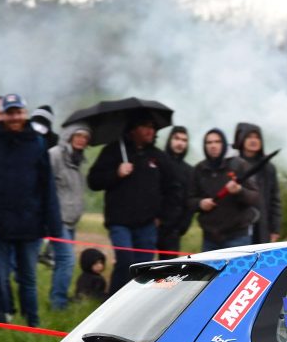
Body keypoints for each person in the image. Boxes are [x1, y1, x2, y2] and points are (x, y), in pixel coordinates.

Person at [0, 93, 60, 327]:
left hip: (31, 221)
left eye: (19, 112)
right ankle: (4, 317)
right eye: (10, 113)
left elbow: (47, 185)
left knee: (27, 277)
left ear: (25, 113)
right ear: (2, 114)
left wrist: (54, 226)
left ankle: (32, 322)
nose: (15, 117)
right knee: (0, 274)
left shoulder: (38, 143)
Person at [87, 112, 180, 293]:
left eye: (153, 127)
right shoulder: (113, 151)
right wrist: (116, 173)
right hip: (119, 221)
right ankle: (112, 301)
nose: (150, 130)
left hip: (148, 224)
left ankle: (136, 304)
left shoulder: (158, 157)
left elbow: (173, 188)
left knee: (143, 267)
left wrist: (163, 217)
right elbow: (93, 181)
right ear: (133, 129)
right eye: (145, 125)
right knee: (125, 260)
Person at [188, 128, 261, 251]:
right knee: (211, 271)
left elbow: (254, 197)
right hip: (209, 238)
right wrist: (200, 203)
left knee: (238, 271)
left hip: (237, 237)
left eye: (217, 142)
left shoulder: (239, 165)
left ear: (224, 144)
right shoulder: (199, 169)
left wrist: (239, 190)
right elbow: (189, 199)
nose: (213, 146)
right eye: (209, 143)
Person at [47, 122, 92, 309]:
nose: (82, 140)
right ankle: (59, 303)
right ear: (69, 136)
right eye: (78, 135)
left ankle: (55, 299)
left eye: (85, 137)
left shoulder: (78, 160)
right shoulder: (55, 154)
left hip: (71, 221)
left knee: (61, 262)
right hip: (57, 219)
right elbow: (44, 184)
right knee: (67, 261)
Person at [231, 123, 281, 244]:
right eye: (249, 137)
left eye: (257, 137)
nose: (254, 140)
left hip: (262, 225)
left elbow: (275, 199)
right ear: (242, 139)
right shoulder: (232, 165)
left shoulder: (268, 168)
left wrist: (275, 229)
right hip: (237, 226)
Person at [158, 126, 194, 256]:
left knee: (168, 271)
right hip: (151, 225)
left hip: (174, 229)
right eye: (177, 138)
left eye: (184, 140)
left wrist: (181, 227)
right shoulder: (157, 162)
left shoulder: (189, 171)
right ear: (170, 140)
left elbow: (189, 201)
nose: (180, 143)